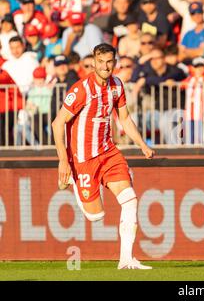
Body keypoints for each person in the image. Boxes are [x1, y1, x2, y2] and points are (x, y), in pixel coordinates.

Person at [52, 43, 155, 270]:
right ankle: (74, 179)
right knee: (95, 217)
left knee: (130, 200)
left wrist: (142, 145)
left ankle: (126, 259)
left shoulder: (117, 85)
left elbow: (125, 119)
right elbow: (57, 123)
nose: (105, 66)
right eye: (101, 62)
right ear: (93, 62)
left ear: (114, 62)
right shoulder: (81, 90)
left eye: (109, 62)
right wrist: (63, 159)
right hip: (83, 158)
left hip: (108, 152)